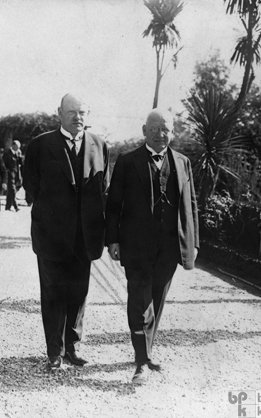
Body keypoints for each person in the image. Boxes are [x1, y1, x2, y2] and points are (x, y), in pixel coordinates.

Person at [105, 108, 199, 385]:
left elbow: (191, 206)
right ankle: (141, 361)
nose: (161, 135)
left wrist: (193, 244)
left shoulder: (183, 163)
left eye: (166, 129)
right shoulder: (127, 161)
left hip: (169, 248)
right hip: (136, 246)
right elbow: (113, 206)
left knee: (157, 299)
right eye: (155, 129)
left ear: (173, 132)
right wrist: (112, 240)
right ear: (144, 130)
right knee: (139, 301)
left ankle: (145, 351)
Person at [23, 93, 109, 370]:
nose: (78, 117)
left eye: (82, 112)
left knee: (78, 292)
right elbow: (31, 185)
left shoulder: (99, 145)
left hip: (84, 237)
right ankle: (54, 352)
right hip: (51, 235)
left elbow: (102, 188)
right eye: (72, 112)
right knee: (53, 293)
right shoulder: (40, 145)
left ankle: (73, 347)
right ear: (59, 113)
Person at [3, 140, 24, 212]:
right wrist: (6, 170)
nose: (18, 149)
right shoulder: (7, 153)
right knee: (12, 190)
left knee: (11, 190)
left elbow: (20, 164)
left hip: (16, 174)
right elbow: (3, 164)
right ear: (13, 146)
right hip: (9, 174)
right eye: (17, 147)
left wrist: (20, 156)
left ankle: (7, 206)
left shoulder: (17, 153)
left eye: (19, 148)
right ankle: (16, 206)